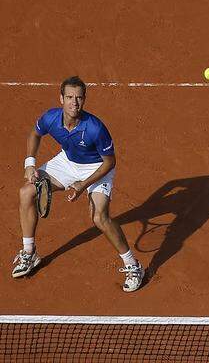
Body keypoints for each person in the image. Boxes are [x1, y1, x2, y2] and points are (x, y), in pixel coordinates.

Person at [12, 76, 145, 291]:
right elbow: (35, 134)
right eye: (70, 97)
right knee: (26, 192)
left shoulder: (95, 128)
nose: (74, 102)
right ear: (61, 99)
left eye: (79, 98)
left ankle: (133, 265)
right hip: (67, 162)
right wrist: (30, 163)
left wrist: (82, 185)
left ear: (84, 100)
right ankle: (30, 253)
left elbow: (110, 162)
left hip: (96, 169)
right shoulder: (51, 118)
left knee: (99, 217)